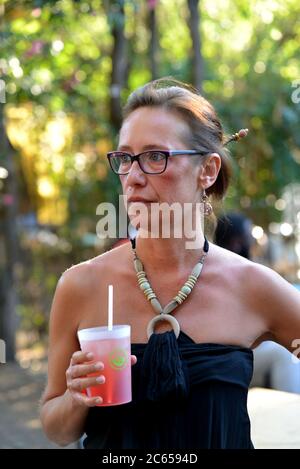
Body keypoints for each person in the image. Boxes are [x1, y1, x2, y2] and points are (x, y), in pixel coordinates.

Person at [40, 77, 300, 449]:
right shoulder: (81, 285)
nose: (133, 177)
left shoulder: (252, 286)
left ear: (207, 171)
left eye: (155, 157)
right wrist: (74, 399)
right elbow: (56, 430)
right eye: (125, 158)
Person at [215, 212, 300, 394]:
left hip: (236, 358)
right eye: (249, 234)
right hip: (228, 362)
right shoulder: (240, 275)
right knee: (283, 355)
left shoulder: (247, 272)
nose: (253, 239)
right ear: (236, 241)